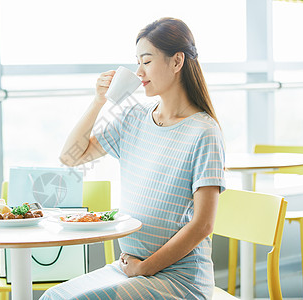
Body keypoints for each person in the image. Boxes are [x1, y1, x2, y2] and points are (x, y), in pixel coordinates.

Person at [42, 17, 226, 300]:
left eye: (147, 61)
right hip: (131, 267)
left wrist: (146, 268)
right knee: (53, 297)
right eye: (137, 62)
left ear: (177, 62)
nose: (138, 71)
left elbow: (203, 224)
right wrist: (98, 101)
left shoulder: (204, 132)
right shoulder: (134, 117)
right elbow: (71, 157)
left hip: (179, 279)